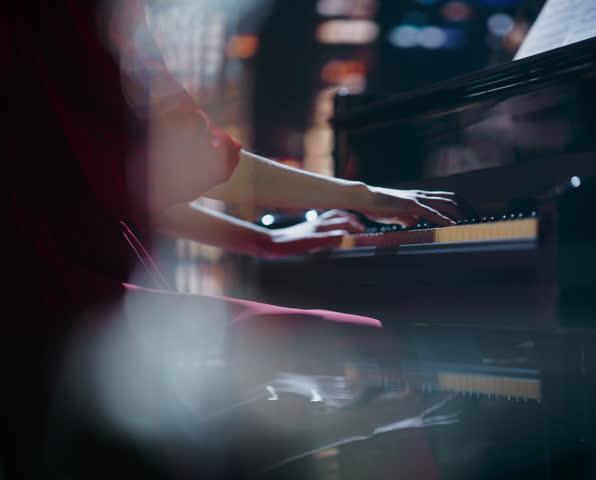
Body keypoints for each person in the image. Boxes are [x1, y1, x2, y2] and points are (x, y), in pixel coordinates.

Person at [1, 1, 464, 477]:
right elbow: (195, 158)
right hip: (53, 307)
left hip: (37, 297)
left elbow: (126, 181)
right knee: (365, 347)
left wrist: (266, 241)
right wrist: (367, 194)